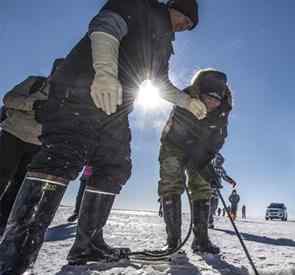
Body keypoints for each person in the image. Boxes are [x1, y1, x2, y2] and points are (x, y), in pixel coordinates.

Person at [0, 0, 202, 272]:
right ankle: (15, 253)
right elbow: (105, 26)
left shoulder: (164, 44)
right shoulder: (140, 7)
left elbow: (159, 83)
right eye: (186, 18)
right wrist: (105, 73)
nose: (186, 26)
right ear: (173, 5)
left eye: (190, 26)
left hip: (115, 109)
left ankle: (87, 245)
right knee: (61, 158)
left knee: (116, 165)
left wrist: (186, 102)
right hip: (81, 90)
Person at [158, 69, 232, 254]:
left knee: (202, 186)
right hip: (174, 145)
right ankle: (173, 241)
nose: (213, 102)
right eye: (209, 97)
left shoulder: (222, 111)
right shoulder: (186, 99)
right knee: (171, 183)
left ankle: (201, 240)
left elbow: (219, 138)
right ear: (200, 92)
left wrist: (206, 162)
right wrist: (198, 158)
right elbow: (181, 134)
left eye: (217, 98)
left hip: (200, 151)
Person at [0, 58, 63, 236]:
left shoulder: (66, 96)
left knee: (19, 187)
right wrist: (34, 104)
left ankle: (3, 222)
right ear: (53, 70)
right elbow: (9, 99)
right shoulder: (36, 82)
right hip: (12, 136)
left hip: (38, 145)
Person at [208, 153, 237, 228]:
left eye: (221, 162)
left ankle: (209, 218)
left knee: (214, 206)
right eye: (218, 161)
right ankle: (209, 222)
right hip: (208, 189)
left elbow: (224, 176)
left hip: (216, 190)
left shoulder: (220, 169)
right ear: (215, 160)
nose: (219, 163)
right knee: (209, 205)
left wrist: (231, 181)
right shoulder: (209, 166)